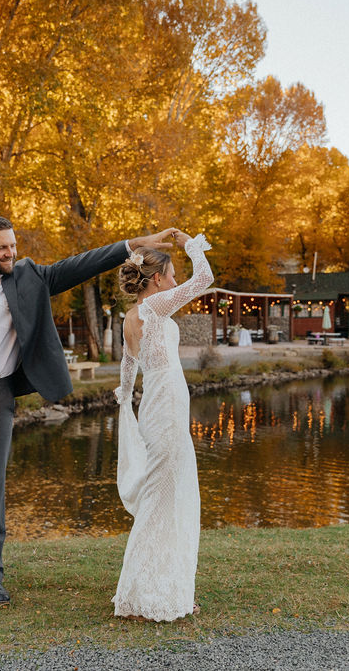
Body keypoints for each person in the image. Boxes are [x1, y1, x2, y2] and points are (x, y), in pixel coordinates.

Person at [0, 215, 176, 605]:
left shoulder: (28, 277)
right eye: (1, 248)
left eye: (12, 245)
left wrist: (135, 243)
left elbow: (83, 263)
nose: (10, 253)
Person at [112, 229, 213, 621]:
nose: (175, 282)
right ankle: (144, 595)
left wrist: (124, 396)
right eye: (170, 276)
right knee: (164, 501)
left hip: (156, 408)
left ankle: (159, 588)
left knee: (164, 498)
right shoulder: (155, 308)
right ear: (156, 280)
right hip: (167, 410)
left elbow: (128, 365)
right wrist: (190, 242)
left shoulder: (130, 317)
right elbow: (204, 279)